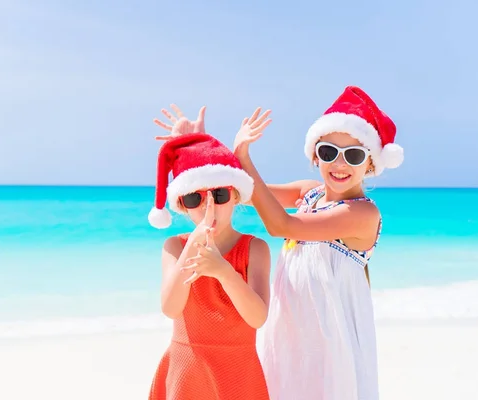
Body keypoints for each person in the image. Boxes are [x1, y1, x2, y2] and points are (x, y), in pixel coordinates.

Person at [232, 86, 404, 400]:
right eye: (328, 152)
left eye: (353, 155)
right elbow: (245, 191)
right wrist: (202, 150)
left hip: (328, 338)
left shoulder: (361, 213)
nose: (339, 164)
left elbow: (281, 224)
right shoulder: (309, 194)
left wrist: (245, 157)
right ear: (315, 155)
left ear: (369, 164)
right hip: (292, 329)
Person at [146, 105, 272, 400]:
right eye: (195, 197)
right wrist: (193, 246)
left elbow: (257, 317)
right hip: (187, 368)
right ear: (182, 204)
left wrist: (223, 271)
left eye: (219, 194)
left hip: (237, 370)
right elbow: (170, 307)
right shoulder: (175, 247)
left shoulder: (255, 249)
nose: (208, 206)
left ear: (236, 196)